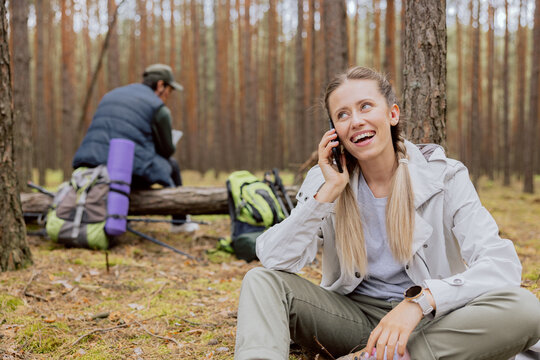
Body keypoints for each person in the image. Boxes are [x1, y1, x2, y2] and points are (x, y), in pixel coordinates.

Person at [234, 66, 540, 360]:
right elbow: (274, 258)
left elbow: (502, 265)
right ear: (334, 131)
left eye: (366, 106)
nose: (355, 121)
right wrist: (326, 195)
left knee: (526, 309)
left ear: (392, 114)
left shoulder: (443, 176)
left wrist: (421, 302)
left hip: (434, 322)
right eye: (342, 115)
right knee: (261, 281)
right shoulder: (325, 181)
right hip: (352, 321)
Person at [72, 64, 198, 233]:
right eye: (169, 90)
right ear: (160, 85)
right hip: (123, 171)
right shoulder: (158, 108)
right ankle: (180, 223)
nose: (169, 95)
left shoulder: (111, 95)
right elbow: (167, 151)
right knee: (172, 165)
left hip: (90, 166)